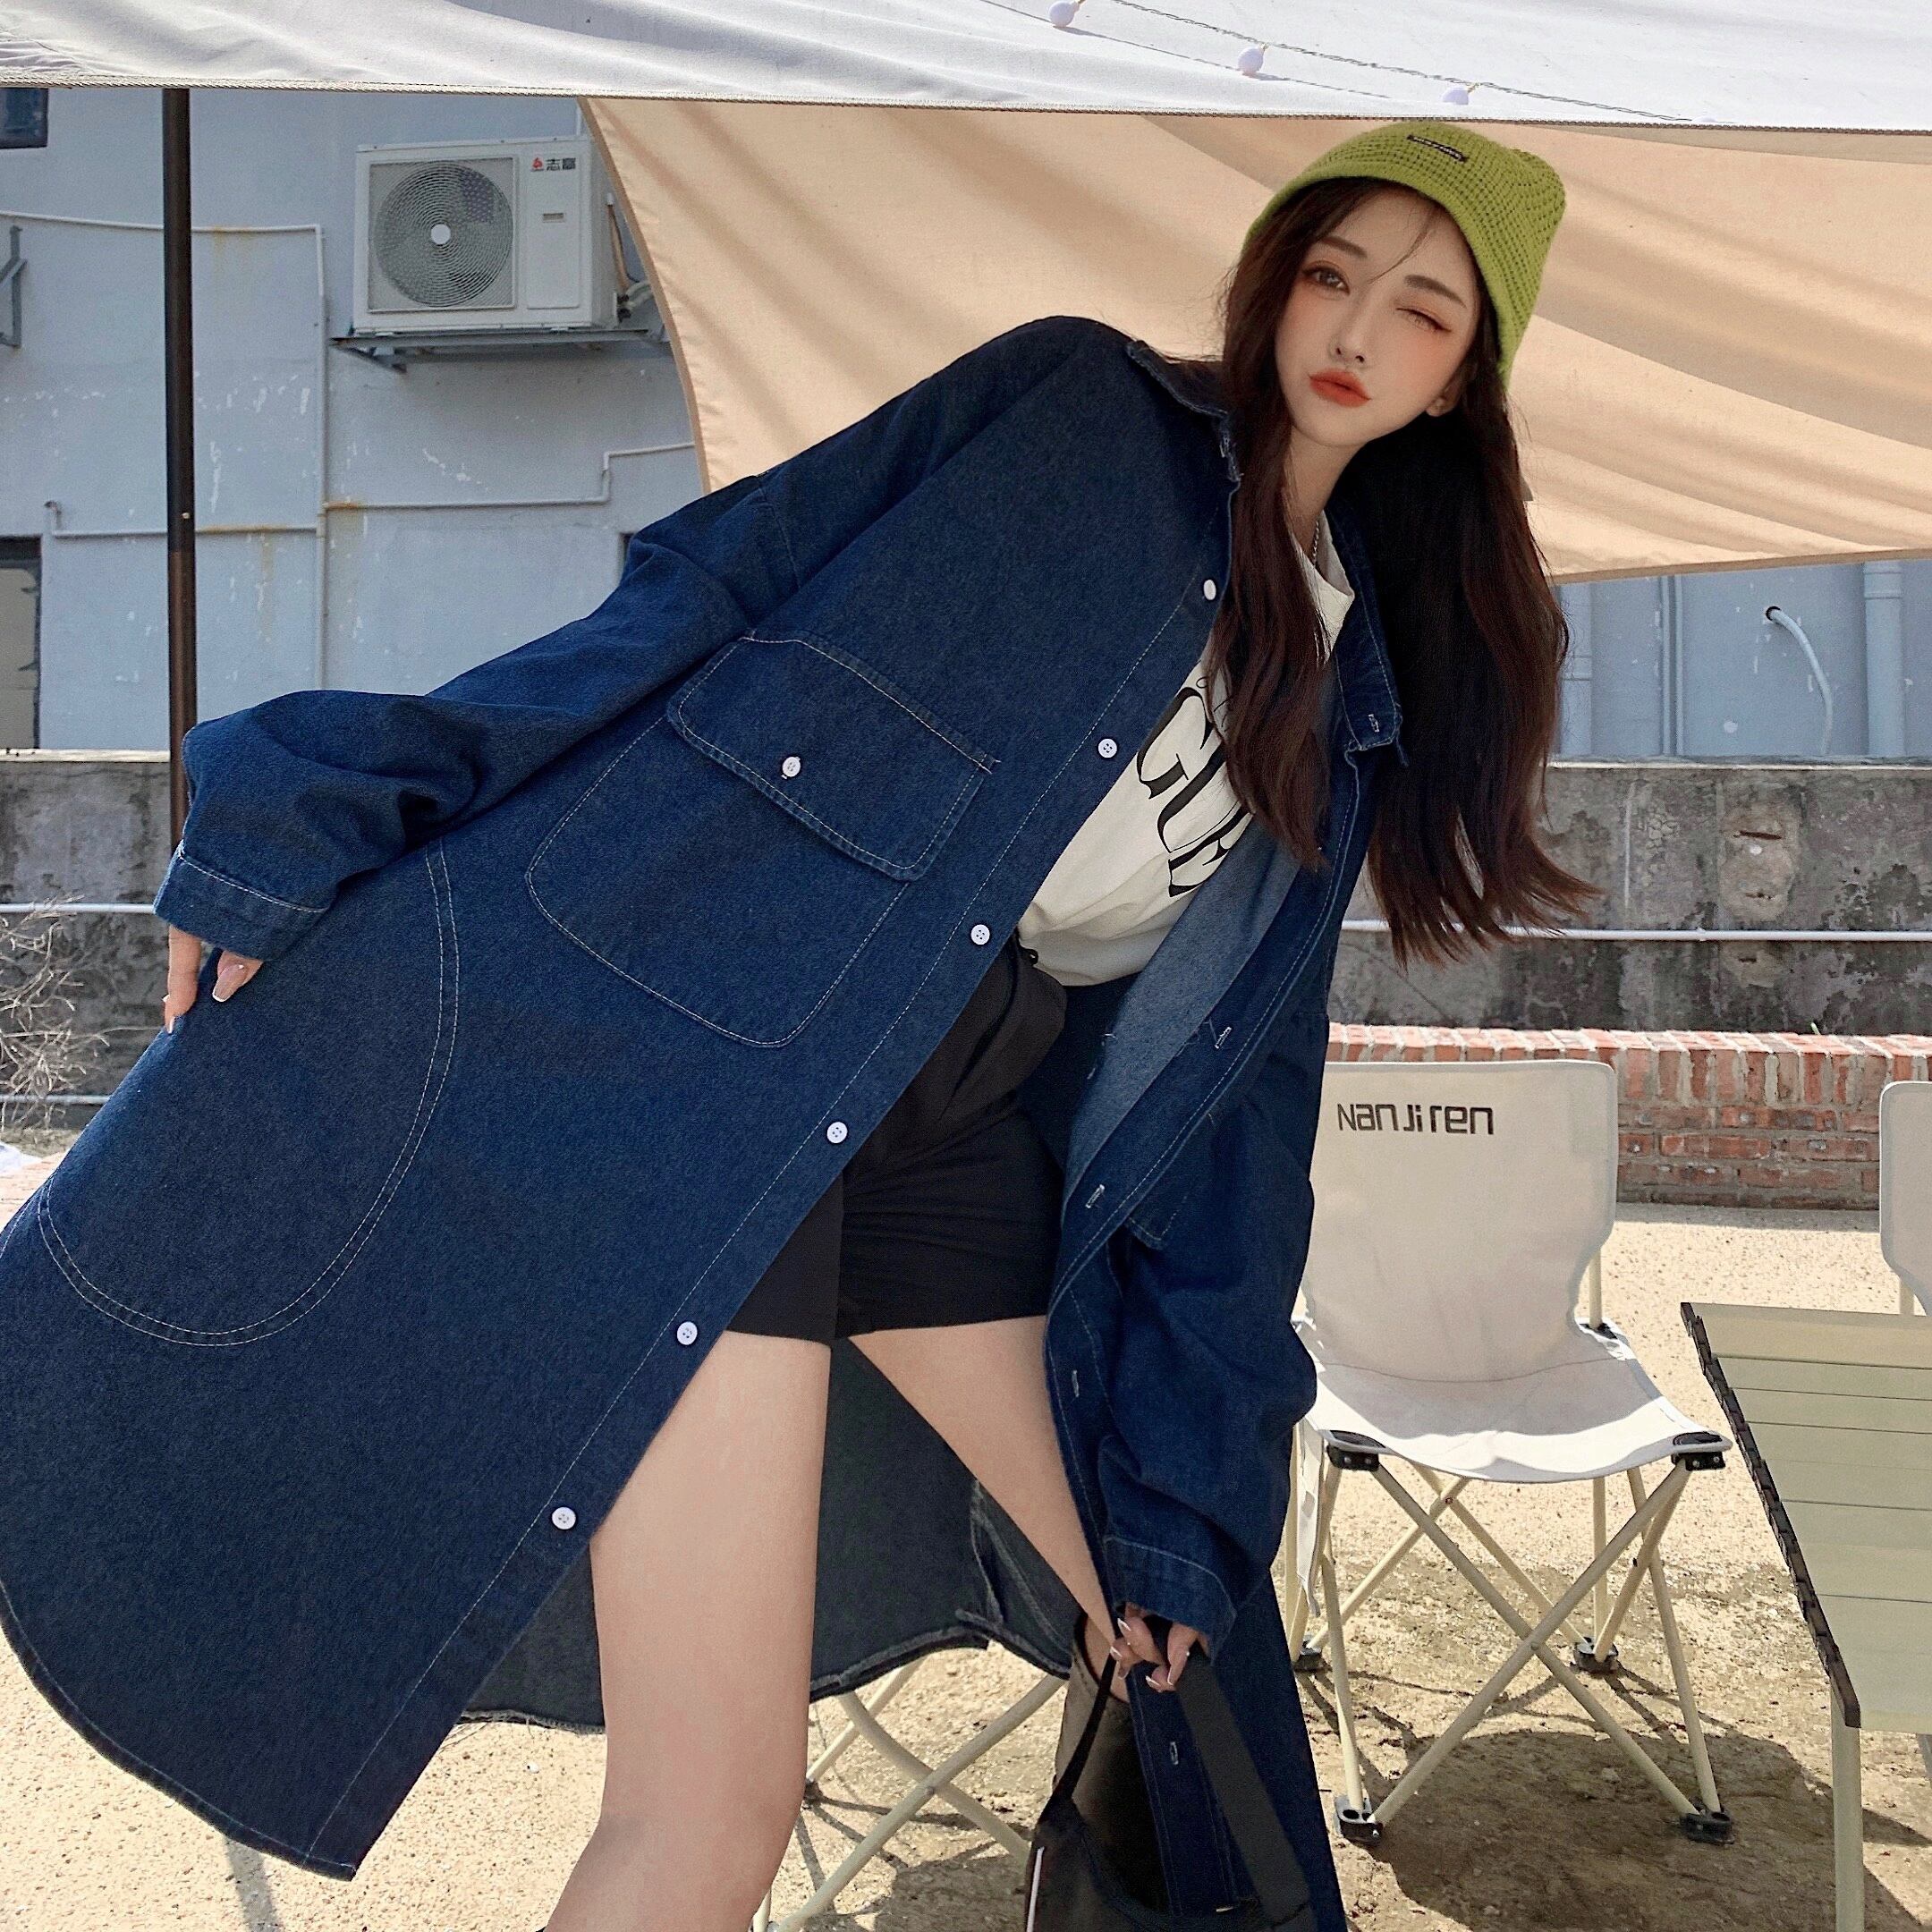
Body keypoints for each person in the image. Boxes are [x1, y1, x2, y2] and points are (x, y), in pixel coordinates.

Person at [52, 121, 1582, 1932]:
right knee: (714, 1810)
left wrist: (1196, 1481)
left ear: (1461, 379)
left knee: (1167, 1611)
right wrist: (328, 792)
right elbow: (712, 589)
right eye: (1332, 271)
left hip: (963, 1139)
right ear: (1272, 281)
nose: (1357, 327)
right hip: (754, 1088)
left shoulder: (1357, 695)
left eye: (1422, 309)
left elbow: (1243, 1109)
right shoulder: (1080, 421)